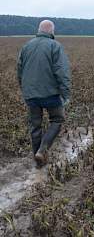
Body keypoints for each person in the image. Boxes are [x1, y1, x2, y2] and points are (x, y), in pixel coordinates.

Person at [17, 20, 71, 167]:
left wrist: (25, 89)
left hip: (31, 94)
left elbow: (19, 70)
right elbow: (62, 72)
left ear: (39, 30)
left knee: (35, 126)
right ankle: (42, 150)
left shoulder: (26, 46)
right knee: (57, 119)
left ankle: (38, 162)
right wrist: (66, 94)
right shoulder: (55, 46)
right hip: (50, 93)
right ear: (52, 31)